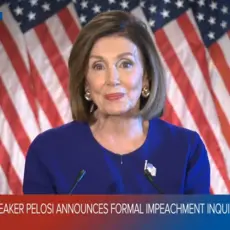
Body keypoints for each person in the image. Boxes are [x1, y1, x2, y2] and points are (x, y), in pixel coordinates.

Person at [23, 10, 210, 194]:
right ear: (85, 81)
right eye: (98, 66)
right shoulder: (48, 151)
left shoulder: (186, 149)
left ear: (146, 77)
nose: (112, 79)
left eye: (125, 64)